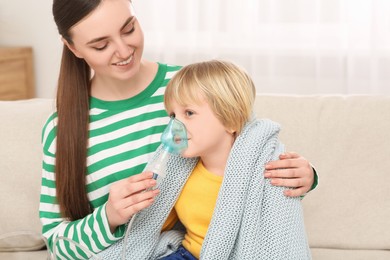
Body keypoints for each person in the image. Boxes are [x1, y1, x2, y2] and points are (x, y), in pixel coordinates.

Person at [39, 0, 316, 258]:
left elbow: (251, 154)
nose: (123, 51)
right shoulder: (62, 130)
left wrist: (302, 177)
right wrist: (109, 216)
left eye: (129, 29)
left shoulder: (186, 87)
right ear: (73, 47)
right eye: (101, 45)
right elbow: (57, 244)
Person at [97, 60, 311, 259]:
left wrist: (308, 177)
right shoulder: (181, 171)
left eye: (189, 113)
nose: (175, 126)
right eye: (173, 116)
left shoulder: (262, 169)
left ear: (231, 119)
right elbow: (155, 223)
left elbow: (281, 210)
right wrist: (138, 206)